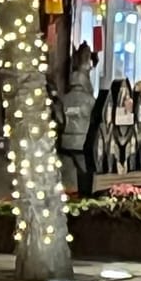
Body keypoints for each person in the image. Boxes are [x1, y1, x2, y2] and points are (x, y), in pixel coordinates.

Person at [53, 64, 95, 199]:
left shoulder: (64, 99)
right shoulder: (90, 100)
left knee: (67, 170)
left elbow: (59, 119)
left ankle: (68, 194)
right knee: (85, 170)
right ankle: (85, 195)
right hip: (83, 139)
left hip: (66, 140)